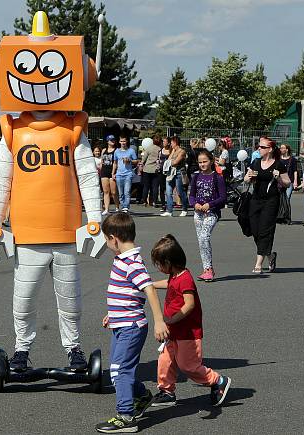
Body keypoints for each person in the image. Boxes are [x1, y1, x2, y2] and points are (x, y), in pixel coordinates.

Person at [96, 212, 168, 433]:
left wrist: (159, 321)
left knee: (119, 370)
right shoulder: (123, 259)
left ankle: (126, 416)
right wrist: (114, 314)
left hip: (131, 327)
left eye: (106, 239)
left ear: (113, 238)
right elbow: (127, 293)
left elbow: (149, 290)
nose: (107, 244)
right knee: (121, 369)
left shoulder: (133, 262)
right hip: (122, 323)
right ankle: (142, 396)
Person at [148, 234, 232, 408]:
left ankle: (218, 380)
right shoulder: (175, 275)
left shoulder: (185, 278)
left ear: (170, 262)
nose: (158, 267)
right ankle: (166, 391)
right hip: (174, 331)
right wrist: (151, 284)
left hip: (187, 332)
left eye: (160, 263)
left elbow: (190, 304)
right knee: (165, 360)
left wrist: (173, 318)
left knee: (188, 366)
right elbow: (169, 284)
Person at [244, 136, 291, 274]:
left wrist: (279, 178)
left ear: (270, 149)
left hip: (271, 201)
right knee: (255, 230)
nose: (259, 148)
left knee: (265, 230)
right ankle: (270, 255)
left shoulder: (278, 164)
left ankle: (258, 264)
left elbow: (287, 183)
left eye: (262, 147)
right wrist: (249, 177)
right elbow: (246, 179)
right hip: (255, 200)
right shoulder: (256, 162)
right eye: (258, 146)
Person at [188, 150, 226, 282]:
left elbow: (223, 198)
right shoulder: (196, 177)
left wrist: (210, 205)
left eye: (205, 161)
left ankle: (208, 269)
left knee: (204, 237)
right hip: (198, 214)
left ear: (211, 161)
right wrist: (194, 204)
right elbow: (191, 195)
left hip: (212, 213)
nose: (202, 164)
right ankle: (207, 269)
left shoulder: (218, 177)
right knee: (201, 242)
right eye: (200, 162)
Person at [161, 136, 189, 217]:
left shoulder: (182, 151)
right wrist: (172, 152)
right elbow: (169, 160)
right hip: (171, 173)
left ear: (175, 142)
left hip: (179, 172)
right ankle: (169, 211)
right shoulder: (173, 150)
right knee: (168, 192)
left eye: (172, 142)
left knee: (180, 192)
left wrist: (170, 162)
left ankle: (184, 209)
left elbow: (175, 162)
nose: (171, 144)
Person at [112, 135, 138, 213]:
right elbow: (115, 163)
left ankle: (126, 207)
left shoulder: (131, 151)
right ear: (119, 142)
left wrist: (129, 160)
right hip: (119, 174)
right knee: (120, 193)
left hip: (128, 174)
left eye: (124, 141)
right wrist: (113, 173)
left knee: (127, 191)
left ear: (126, 142)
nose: (123, 143)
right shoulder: (117, 151)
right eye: (121, 141)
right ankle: (123, 205)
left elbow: (136, 161)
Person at [279, 143, 299, 224]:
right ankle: (281, 217)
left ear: (286, 150)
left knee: (287, 199)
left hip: (289, 182)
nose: (281, 149)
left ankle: (287, 218)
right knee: (280, 200)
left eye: (282, 148)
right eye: (280, 148)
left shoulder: (292, 159)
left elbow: (295, 171)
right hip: (280, 182)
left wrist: (295, 181)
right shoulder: (279, 159)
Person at [140, 135, 161, 207]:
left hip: (147, 169)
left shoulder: (149, 148)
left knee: (146, 186)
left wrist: (141, 164)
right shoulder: (160, 149)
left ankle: (144, 200)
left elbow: (144, 158)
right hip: (155, 169)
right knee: (155, 187)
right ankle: (154, 201)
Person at [100, 135, 118, 214]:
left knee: (113, 192)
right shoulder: (104, 150)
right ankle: (106, 209)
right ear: (107, 141)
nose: (112, 141)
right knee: (105, 191)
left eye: (113, 140)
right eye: (111, 140)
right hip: (104, 171)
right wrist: (100, 169)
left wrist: (114, 172)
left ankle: (117, 207)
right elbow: (102, 161)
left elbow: (115, 162)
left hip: (112, 171)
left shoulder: (116, 150)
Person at [157, 137, 171, 208]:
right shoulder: (160, 151)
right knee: (162, 188)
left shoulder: (171, 151)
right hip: (161, 171)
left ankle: (169, 203)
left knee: (169, 188)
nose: (163, 143)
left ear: (168, 143)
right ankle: (163, 204)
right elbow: (158, 160)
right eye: (163, 141)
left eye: (165, 141)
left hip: (169, 171)